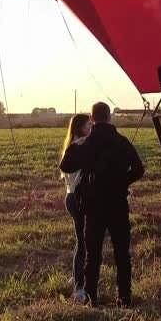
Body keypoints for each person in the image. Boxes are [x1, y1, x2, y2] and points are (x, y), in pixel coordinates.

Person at [59, 101, 144, 307]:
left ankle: (91, 297)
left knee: (93, 254)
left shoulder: (86, 144)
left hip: (93, 205)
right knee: (122, 253)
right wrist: (122, 182)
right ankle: (124, 297)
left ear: (92, 118)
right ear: (110, 117)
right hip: (118, 203)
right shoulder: (122, 141)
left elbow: (66, 165)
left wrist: (77, 149)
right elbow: (139, 169)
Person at [59, 113, 92, 302]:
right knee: (83, 243)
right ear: (80, 127)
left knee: (81, 240)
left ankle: (76, 276)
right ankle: (79, 288)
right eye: (89, 125)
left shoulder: (72, 145)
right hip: (77, 199)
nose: (91, 128)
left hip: (71, 198)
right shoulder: (79, 147)